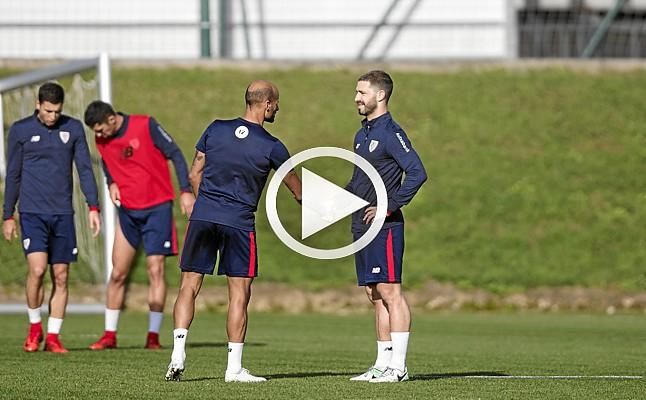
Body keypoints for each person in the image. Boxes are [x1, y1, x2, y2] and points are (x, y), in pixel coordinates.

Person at [165, 80, 302, 382]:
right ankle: (234, 369)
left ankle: (177, 355)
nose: (278, 108)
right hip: (238, 222)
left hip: (203, 217)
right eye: (276, 103)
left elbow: (194, 174)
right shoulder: (272, 146)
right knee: (239, 294)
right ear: (267, 104)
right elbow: (299, 191)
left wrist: (206, 206)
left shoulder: (215, 129)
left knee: (188, 286)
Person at [83, 100, 195, 350]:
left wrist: (186, 191)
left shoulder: (145, 125)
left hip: (157, 209)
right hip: (128, 212)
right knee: (118, 273)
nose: (99, 135)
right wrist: (111, 182)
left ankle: (152, 336)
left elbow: (175, 154)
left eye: (100, 129)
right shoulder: (101, 139)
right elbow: (107, 163)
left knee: (155, 270)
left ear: (112, 119)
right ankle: (109, 335)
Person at [2, 82, 101, 353]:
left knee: (61, 275)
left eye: (57, 111)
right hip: (32, 213)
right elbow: (13, 175)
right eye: (48, 111)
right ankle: (35, 327)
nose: (53, 116)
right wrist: (8, 214)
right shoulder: (21, 130)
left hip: (63, 214)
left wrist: (93, 207)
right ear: (38, 105)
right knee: (37, 270)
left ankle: (54, 337)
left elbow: (84, 169)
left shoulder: (73, 128)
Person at [346, 70, 427, 383]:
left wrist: (388, 206)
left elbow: (417, 173)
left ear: (380, 95)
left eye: (362, 92)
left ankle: (399, 367)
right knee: (375, 294)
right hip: (362, 226)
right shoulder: (361, 135)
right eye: (357, 92)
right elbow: (359, 181)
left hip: (386, 227)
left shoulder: (392, 133)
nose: (356, 98)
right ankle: (382, 365)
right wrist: (335, 201)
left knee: (391, 291)